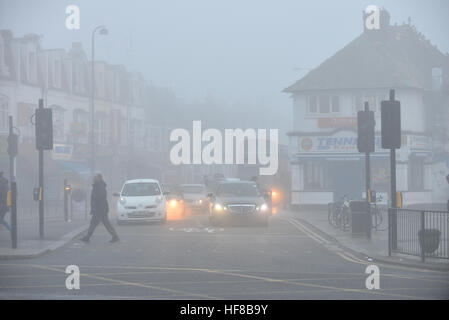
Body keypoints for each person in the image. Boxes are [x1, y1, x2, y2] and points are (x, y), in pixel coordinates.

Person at [81, 173, 119, 243]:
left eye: (95, 177)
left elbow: (100, 196)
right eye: (94, 177)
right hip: (100, 209)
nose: (94, 179)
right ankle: (115, 236)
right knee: (104, 223)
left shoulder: (100, 186)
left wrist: (95, 203)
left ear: (99, 178)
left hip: (99, 209)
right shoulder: (98, 185)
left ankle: (87, 237)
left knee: (94, 223)